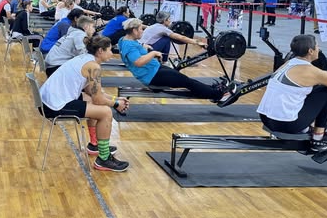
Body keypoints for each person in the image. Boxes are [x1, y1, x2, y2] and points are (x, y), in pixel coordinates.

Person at [39, 35, 130, 172]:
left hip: (48, 101)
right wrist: (116, 104)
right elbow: (99, 99)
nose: (112, 53)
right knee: (106, 112)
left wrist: (115, 98)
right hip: (54, 106)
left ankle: (94, 144)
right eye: (110, 50)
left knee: (91, 101)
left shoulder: (85, 59)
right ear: (100, 51)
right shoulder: (93, 67)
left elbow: (91, 92)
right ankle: (104, 159)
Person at [257, 34, 327, 153]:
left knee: (314, 90)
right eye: (317, 46)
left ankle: (305, 128)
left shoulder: (287, 64)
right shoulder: (314, 72)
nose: (319, 49)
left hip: (266, 119)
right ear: (310, 51)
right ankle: (318, 138)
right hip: (286, 125)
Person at [118, 18, 234, 102]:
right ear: (134, 31)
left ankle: (212, 90)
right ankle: (219, 95)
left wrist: (144, 46)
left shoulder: (124, 40)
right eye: (140, 29)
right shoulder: (129, 45)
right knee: (187, 82)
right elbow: (138, 62)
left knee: (185, 79)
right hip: (152, 76)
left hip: (155, 69)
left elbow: (135, 49)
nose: (142, 31)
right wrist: (153, 53)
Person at [140, 11, 207, 62]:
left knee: (164, 38)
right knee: (167, 38)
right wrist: (197, 42)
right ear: (165, 20)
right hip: (147, 51)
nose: (170, 21)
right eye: (169, 19)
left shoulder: (153, 26)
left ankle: (159, 59)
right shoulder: (163, 29)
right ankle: (164, 61)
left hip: (141, 49)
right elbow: (181, 37)